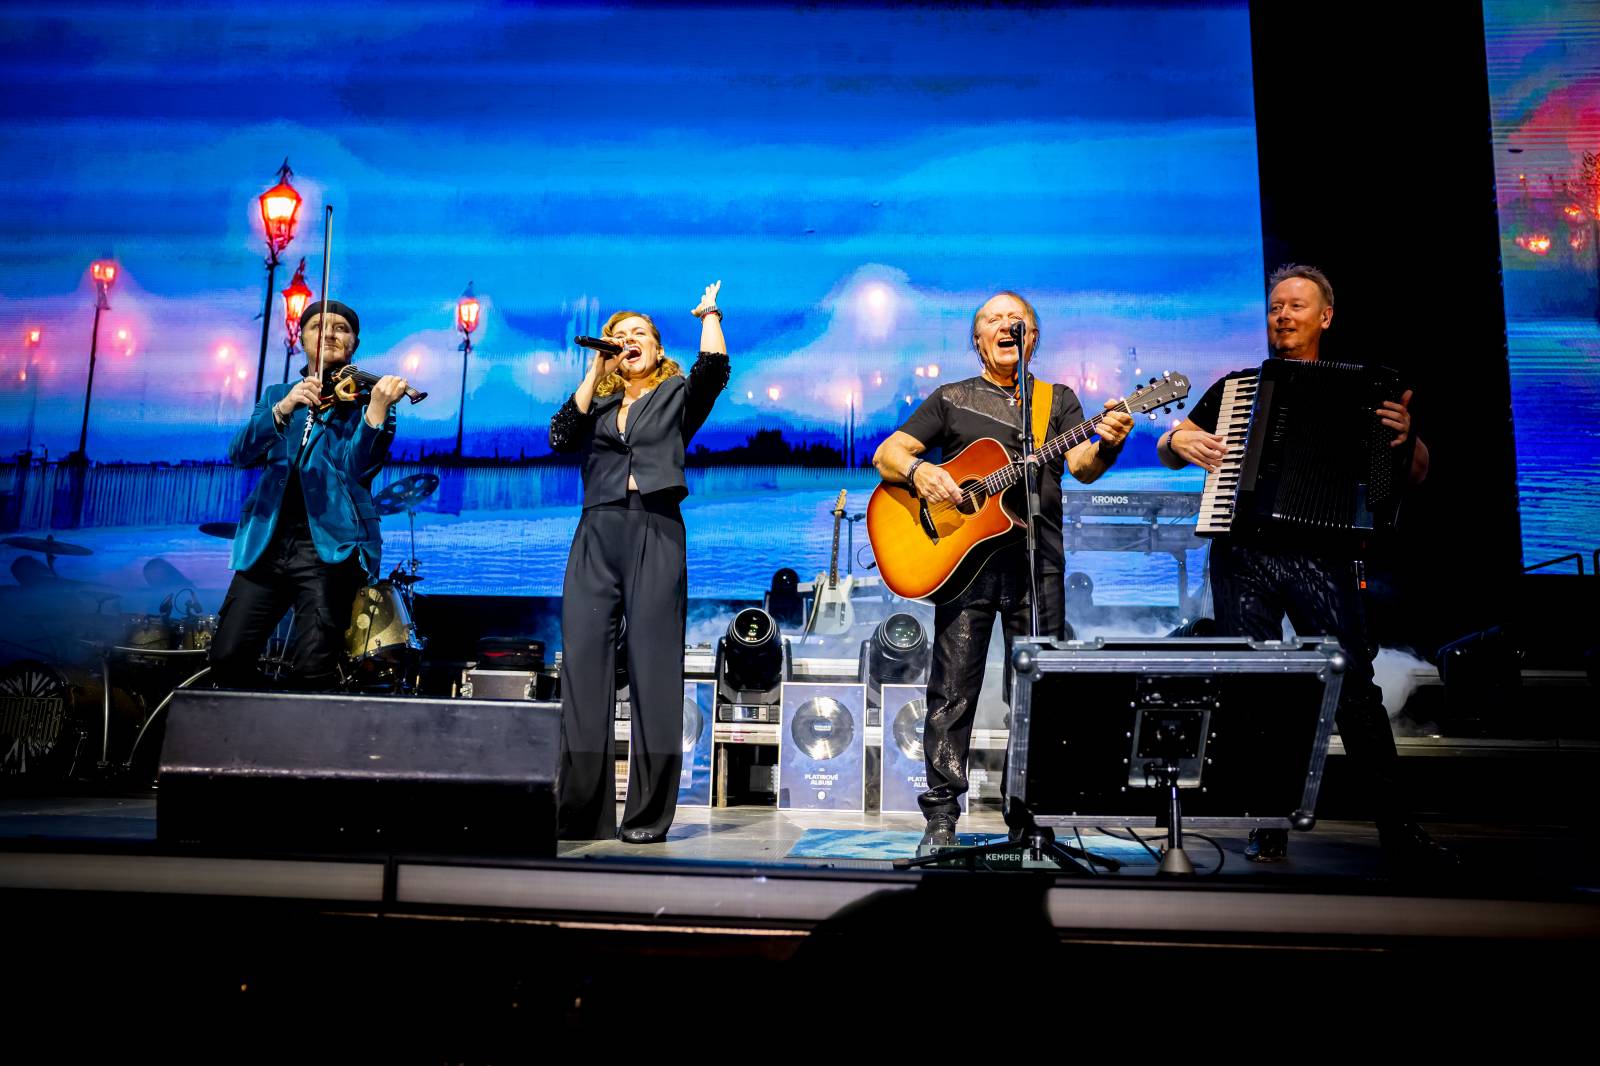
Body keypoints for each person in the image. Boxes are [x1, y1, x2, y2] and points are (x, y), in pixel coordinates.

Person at [1158, 263, 1452, 870]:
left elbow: (1416, 473)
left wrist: (1409, 436)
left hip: (1323, 553)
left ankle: (1399, 830)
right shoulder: (1237, 388)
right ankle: (1267, 825)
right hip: (1243, 551)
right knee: (1255, 686)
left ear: (1326, 316)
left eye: (1296, 306)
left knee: (1354, 689)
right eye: (1275, 308)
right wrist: (1175, 442)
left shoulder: (1368, 391)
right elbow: (1171, 447)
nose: (1283, 316)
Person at [873, 291, 1134, 845]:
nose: (1006, 325)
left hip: (1038, 565)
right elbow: (887, 454)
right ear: (978, 341)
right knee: (952, 694)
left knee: (1039, 694)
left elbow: (1083, 466)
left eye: (1017, 320)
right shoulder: (951, 398)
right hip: (962, 566)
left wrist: (1108, 444)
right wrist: (921, 473)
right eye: (994, 319)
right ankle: (941, 817)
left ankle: (1031, 817)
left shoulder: (1057, 401)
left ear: (1032, 338)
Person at [549, 281, 728, 844]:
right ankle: (581, 810)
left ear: (656, 347)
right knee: (584, 667)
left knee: (653, 669)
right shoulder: (598, 403)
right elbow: (560, 437)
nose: (627, 340)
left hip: (655, 528)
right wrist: (593, 372)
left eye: (638, 334)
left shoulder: (676, 395)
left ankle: (647, 815)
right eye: (618, 335)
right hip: (597, 532)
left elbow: (713, 371)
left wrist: (710, 314)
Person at [209, 299, 408, 690]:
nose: (330, 333)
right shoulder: (277, 394)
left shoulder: (366, 401)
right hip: (267, 543)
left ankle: (298, 721)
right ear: (301, 339)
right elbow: (240, 454)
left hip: (328, 547)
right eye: (318, 326)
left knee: (314, 668)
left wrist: (376, 411)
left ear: (355, 344)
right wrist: (282, 409)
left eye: (341, 328)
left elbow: (357, 469)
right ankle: (268, 715)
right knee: (226, 657)